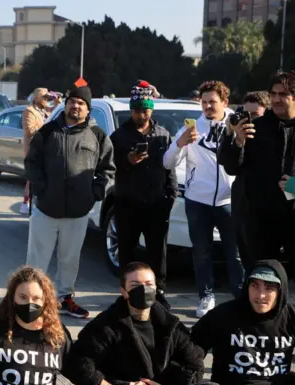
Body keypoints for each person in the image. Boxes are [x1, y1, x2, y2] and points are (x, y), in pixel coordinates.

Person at [68, 262, 226, 385]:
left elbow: (195, 367)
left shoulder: (171, 325)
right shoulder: (106, 325)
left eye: (149, 285)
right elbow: (78, 363)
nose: (143, 290)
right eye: (135, 285)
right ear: (124, 292)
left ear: (156, 289)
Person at [25, 85, 115, 319]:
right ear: (65, 105)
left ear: (88, 109)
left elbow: (108, 169)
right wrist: (42, 190)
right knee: (37, 259)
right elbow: (32, 164)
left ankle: (65, 298)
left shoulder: (97, 135)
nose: (75, 106)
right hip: (46, 208)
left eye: (81, 103)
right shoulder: (47, 133)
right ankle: (32, 300)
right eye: (72, 101)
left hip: (77, 211)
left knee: (70, 259)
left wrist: (94, 192)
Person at [163, 80, 243, 318]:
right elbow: (167, 162)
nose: (208, 106)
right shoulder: (191, 128)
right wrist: (180, 144)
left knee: (235, 252)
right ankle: (206, 297)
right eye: (204, 102)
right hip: (198, 201)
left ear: (225, 102)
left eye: (213, 102)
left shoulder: (236, 124)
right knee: (201, 252)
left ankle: (240, 298)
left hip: (229, 201)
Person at [191, 259, 295, 385]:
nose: (260, 295)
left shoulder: (290, 316)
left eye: (269, 288)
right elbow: (191, 350)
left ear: (280, 290)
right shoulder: (223, 315)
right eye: (255, 286)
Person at [219, 71, 295, 274]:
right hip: (259, 220)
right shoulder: (255, 128)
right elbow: (231, 167)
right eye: (273, 94)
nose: (276, 99)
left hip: (292, 216)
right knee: (259, 277)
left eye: (283, 94)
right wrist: (237, 141)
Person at [110, 80, 177, 309]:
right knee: (127, 250)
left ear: (151, 109)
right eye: (138, 109)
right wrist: (127, 161)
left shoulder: (163, 134)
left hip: (157, 204)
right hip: (128, 203)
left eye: (145, 109)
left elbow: (170, 167)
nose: (142, 114)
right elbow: (109, 165)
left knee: (158, 251)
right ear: (132, 110)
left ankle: (158, 292)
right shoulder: (119, 136)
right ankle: (127, 293)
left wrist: (171, 195)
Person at [21, 87, 51, 215]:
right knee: (32, 177)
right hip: (33, 150)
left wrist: (57, 103)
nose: (46, 99)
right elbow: (29, 130)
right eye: (44, 97)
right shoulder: (29, 111)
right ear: (35, 98)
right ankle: (26, 202)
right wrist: (46, 128)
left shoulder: (47, 111)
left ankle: (27, 202)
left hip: (45, 150)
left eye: (47, 97)